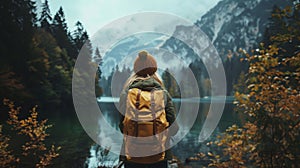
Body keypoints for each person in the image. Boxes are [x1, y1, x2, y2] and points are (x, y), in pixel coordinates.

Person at [118, 50, 178, 168]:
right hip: (159, 156)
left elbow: (122, 127)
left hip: (132, 155)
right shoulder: (163, 93)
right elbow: (174, 128)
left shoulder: (127, 94)